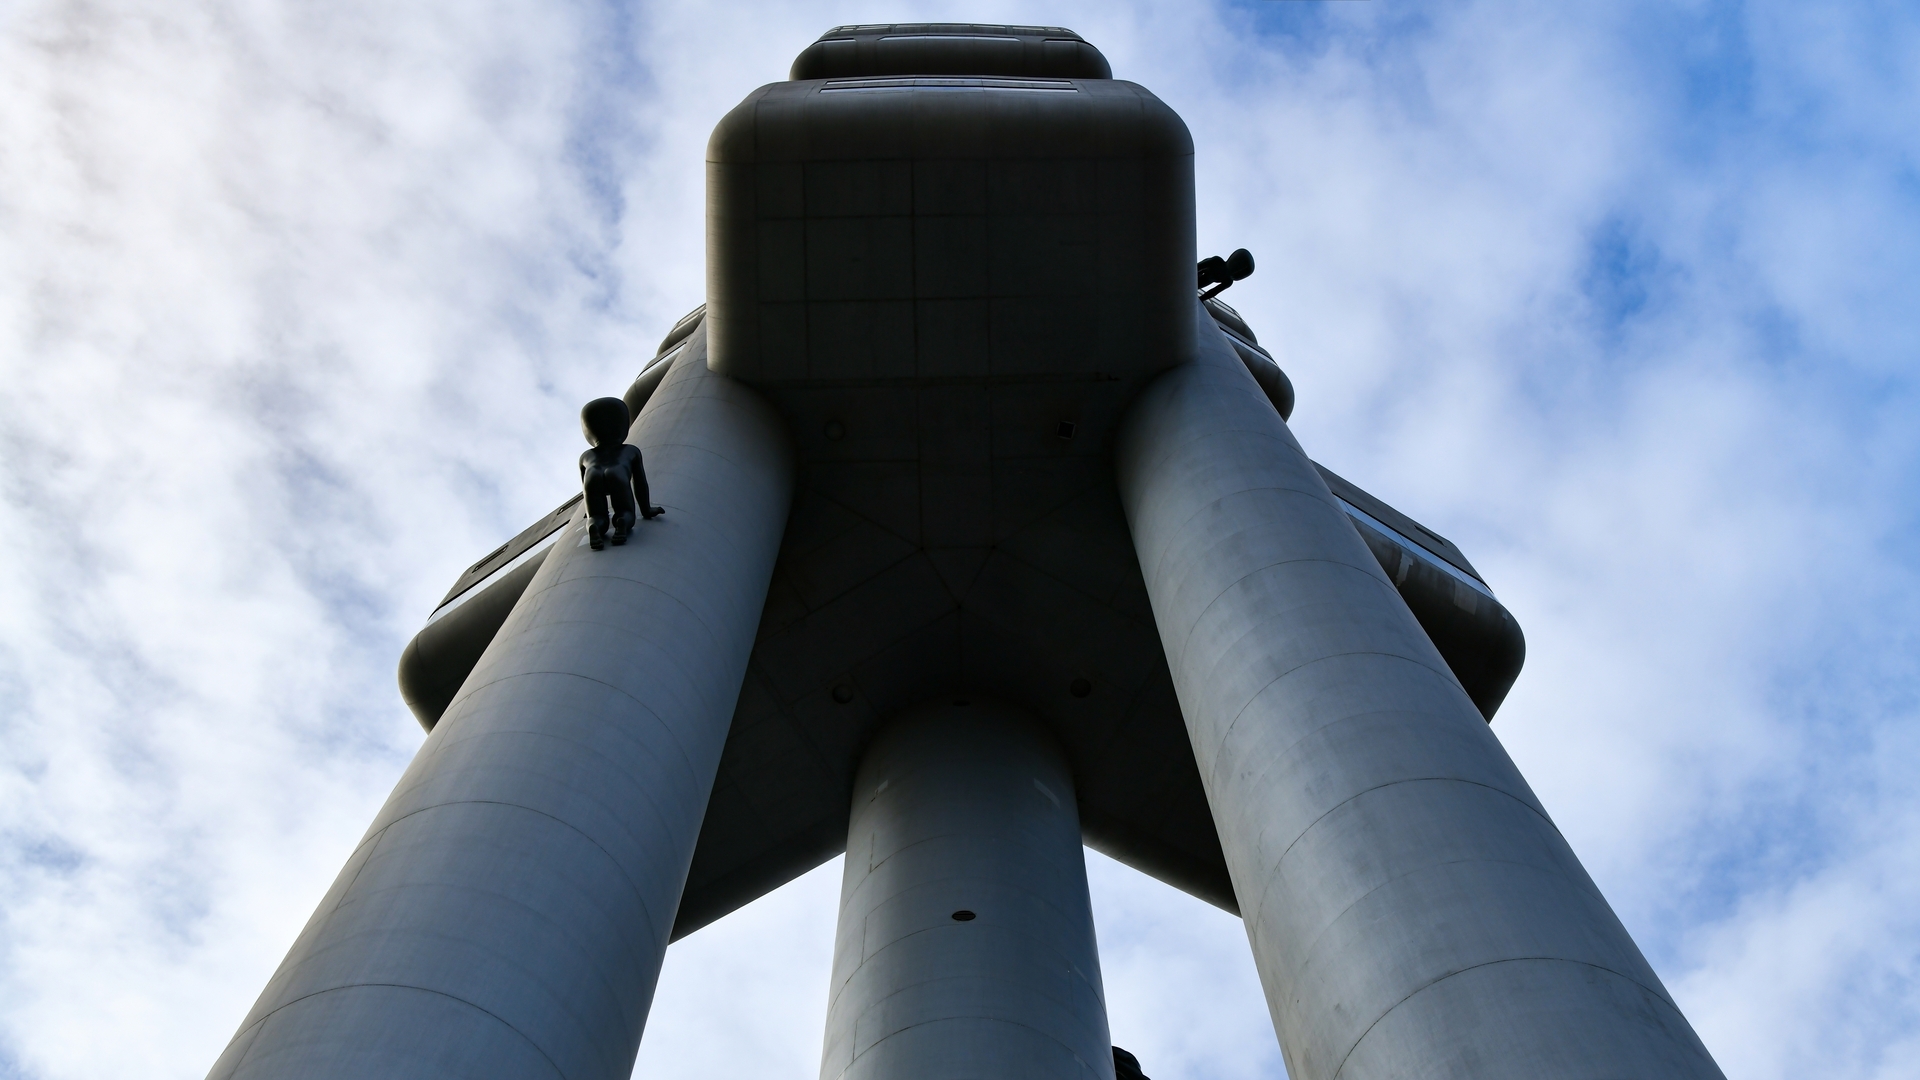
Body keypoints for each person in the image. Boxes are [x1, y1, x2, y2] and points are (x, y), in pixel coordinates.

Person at [578, 397, 663, 550]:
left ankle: (595, 527)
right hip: (617, 472)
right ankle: (622, 522)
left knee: (596, 516)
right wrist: (646, 510)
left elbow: (585, 488)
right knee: (624, 510)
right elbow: (639, 483)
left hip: (593, 475)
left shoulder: (585, 456)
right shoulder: (631, 450)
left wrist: (588, 510)